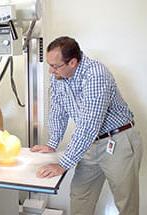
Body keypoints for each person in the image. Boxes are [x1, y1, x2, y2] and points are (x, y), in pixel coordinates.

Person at [31, 36, 143, 215]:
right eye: (50, 65)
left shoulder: (96, 75)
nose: (51, 71)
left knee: (125, 202)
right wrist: (52, 143)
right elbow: (58, 110)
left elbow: (88, 125)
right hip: (90, 144)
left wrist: (63, 164)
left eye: (55, 66)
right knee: (80, 196)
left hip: (118, 141)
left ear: (73, 62)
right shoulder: (59, 77)